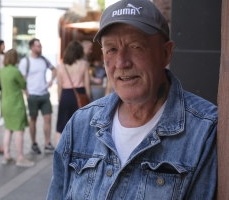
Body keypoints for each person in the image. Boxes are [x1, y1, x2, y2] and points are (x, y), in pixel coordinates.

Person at [47, 0, 217, 199]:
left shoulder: (205, 130)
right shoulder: (81, 124)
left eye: (136, 46)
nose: (122, 62)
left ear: (166, 53)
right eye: (111, 49)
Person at [18, 38, 57, 154]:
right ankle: (34, 143)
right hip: (33, 95)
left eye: (40, 46)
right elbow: (22, 79)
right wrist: (26, 93)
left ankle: (47, 143)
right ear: (31, 47)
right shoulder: (26, 61)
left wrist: (51, 81)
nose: (40, 48)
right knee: (33, 120)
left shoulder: (44, 60)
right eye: (37, 46)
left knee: (48, 118)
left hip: (44, 94)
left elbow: (54, 69)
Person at [0, 49, 35, 167]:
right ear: (15, 59)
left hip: (5, 103)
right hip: (15, 104)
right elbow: (23, 85)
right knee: (19, 131)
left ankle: (6, 155)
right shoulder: (15, 71)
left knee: (8, 129)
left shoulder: (2, 71)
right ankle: (20, 157)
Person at [56, 41, 91, 144]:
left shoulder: (61, 66)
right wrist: (88, 98)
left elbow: (59, 86)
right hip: (80, 94)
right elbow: (87, 84)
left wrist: (60, 99)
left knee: (61, 125)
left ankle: (60, 152)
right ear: (80, 52)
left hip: (65, 95)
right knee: (80, 125)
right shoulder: (84, 64)